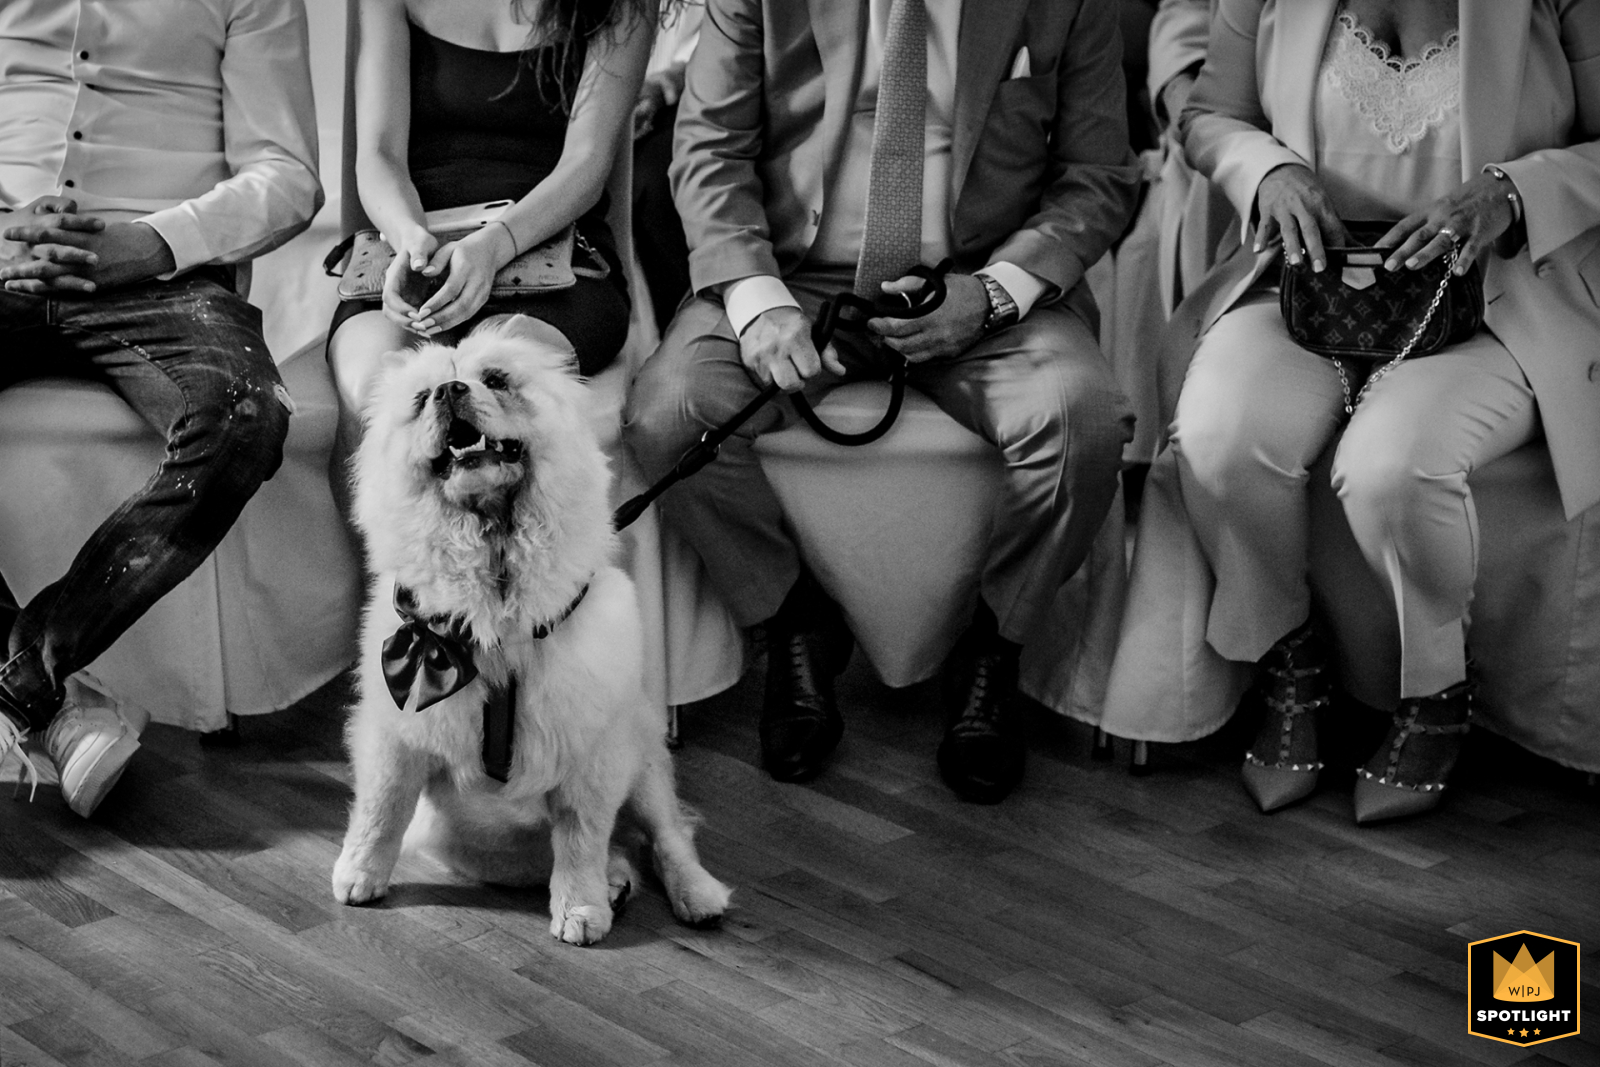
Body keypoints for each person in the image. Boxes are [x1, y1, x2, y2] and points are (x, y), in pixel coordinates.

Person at [625, 0, 1141, 803]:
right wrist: (757, 300)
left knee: (1085, 422)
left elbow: (1098, 175)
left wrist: (992, 294)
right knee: (669, 413)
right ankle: (794, 624)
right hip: (796, 278)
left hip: (977, 283)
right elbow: (709, 149)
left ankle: (992, 650)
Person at [1111, 0, 1600, 822]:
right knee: (1219, 434)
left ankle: (1436, 691)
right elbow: (1210, 115)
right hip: (1307, 292)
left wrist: (1513, 192)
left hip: (1494, 302)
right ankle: (1289, 662)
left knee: (1388, 467)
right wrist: (1266, 170)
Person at [0, 0, 321, 816]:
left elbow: (286, 174)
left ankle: (25, 674)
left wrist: (149, 241)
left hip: (162, 279)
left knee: (245, 416)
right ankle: (58, 705)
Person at [326, 0, 651, 509]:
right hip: (417, 248)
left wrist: (494, 245)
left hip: (556, 258)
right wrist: (409, 238)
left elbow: (587, 165)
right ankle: (397, 564)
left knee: (503, 373)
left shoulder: (623, 5)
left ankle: (529, 562)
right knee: (380, 394)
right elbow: (379, 154)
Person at [630, 3, 702, 332]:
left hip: (685, 92)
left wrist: (663, 84)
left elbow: (722, 46)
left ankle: (683, 321)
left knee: (653, 181)